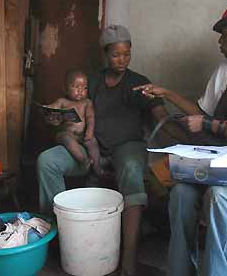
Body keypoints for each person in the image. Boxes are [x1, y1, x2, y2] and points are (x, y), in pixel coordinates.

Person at [37, 24, 175, 276]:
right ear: (105, 54)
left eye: (127, 54)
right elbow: (72, 111)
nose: (122, 60)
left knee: (132, 168)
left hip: (127, 147)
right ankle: (60, 238)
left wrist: (180, 135)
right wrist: (58, 120)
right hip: (91, 149)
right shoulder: (91, 82)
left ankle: (129, 258)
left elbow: (161, 116)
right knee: (47, 160)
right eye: (115, 54)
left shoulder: (139, 83)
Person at [138, 0, 227, 276]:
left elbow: (206, 121)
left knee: (221, 196)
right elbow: (201, 113)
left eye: (225, 34)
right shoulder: (226, 71)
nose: (219, 41)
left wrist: (209, 124)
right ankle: (180, 271)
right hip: (221, 164)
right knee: (179, 192)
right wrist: (167, 94)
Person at [42, 69, 106, 176]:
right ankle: (83, 160)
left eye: (84, 88)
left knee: (93, 142)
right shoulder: (62, 101)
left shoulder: (87, 102)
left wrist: (89, 132)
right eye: (76, 87)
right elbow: (52, 108)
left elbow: (90, 117)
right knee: (65, 137)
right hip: (67, 133)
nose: (80, 90)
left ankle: (97, 168)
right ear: (66, 88)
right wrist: (47, 109)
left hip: (82, 135)